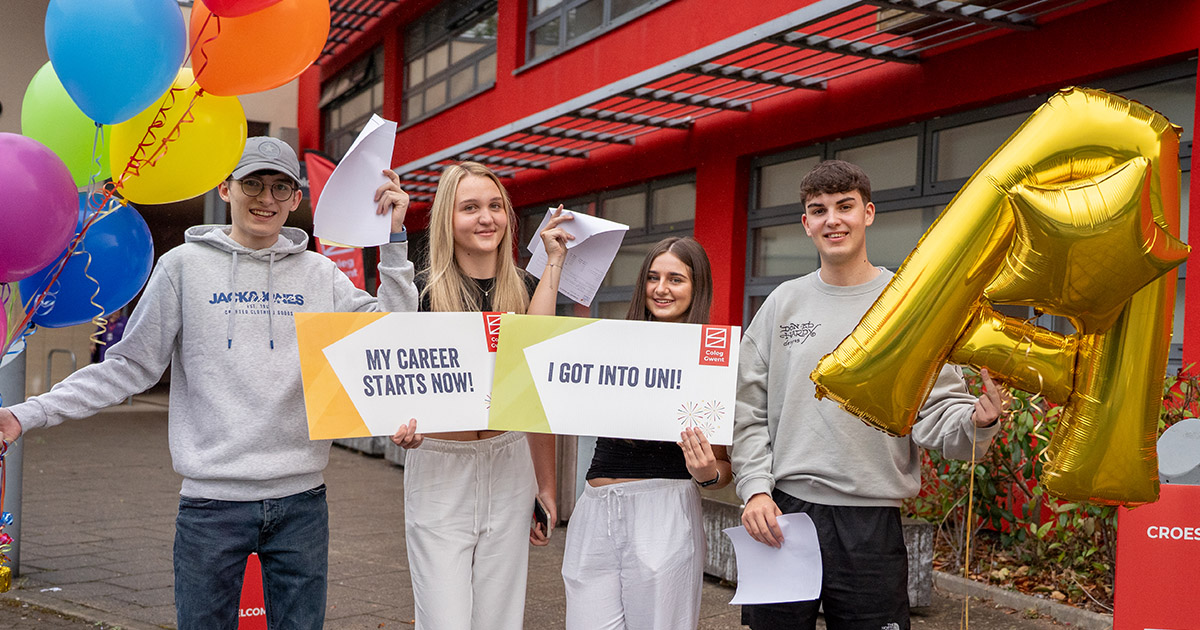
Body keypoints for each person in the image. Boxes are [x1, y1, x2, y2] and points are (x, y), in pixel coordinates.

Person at [0, 137, 417, 630]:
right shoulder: (182, 267)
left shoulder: (319, 275)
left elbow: (394, 328)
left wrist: (394, 240)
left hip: (302, 501)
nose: (266, 198)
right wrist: (25, 413)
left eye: (280, 188)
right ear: (226, 188)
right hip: (211, 505)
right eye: (253, 183)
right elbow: (128, 367)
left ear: (296, 199)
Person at [732, 160, 1009, 630]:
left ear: (869, 213)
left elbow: (936, 410)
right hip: (783, 514)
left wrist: (976, 422)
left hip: (871, 525)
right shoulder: (782, 304)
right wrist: (755, 489)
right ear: (805, 224)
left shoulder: (907, 305)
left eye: (845, 207)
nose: (832, 220)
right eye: (818, 210)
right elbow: (747, 411)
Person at [532, 216, 732, 630]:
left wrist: (707, 473)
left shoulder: (709, 360)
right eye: (653, 278)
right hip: (595, 510)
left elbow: (722, 469)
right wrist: (555, 260)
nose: (661, 289)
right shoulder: (613, 344)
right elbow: (537, 343)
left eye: (676, 279)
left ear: (697, 288)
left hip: (665, 511)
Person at [388, 161, 557, 630]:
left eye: (495, 206)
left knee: (501, 619)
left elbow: (535, 397)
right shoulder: (422, 292)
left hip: (509, 463)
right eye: (470, 208)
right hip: (441, 464)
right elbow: (388, 377)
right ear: (447, 218)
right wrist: (397, 423)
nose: (486, 218)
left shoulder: (525, 289)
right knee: (443, 619)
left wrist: (545, 485)